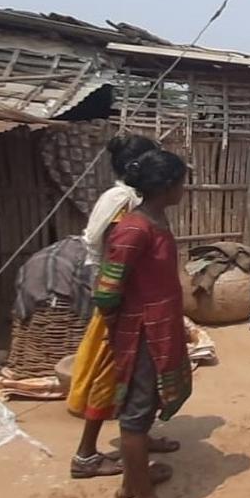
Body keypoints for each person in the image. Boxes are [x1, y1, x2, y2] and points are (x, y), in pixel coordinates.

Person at [93, 148, 199, 498]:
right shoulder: (135, 229)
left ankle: (131, 482)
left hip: (158, 327)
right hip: (143, 332)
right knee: (136, 416)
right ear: (167, 186)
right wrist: (121, 329)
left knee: (149, 400)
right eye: (182, 182)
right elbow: (107, 290)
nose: (185, 189)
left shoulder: (154, 221)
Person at [68, 135, 180, 480]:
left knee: (137, 382)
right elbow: (119, 262)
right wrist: (119, 318)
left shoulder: (134, 205)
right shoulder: (127, 210)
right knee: (113, 375)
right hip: (126, 309)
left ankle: (139, 440)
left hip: (136, 305)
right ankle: (87, 455)